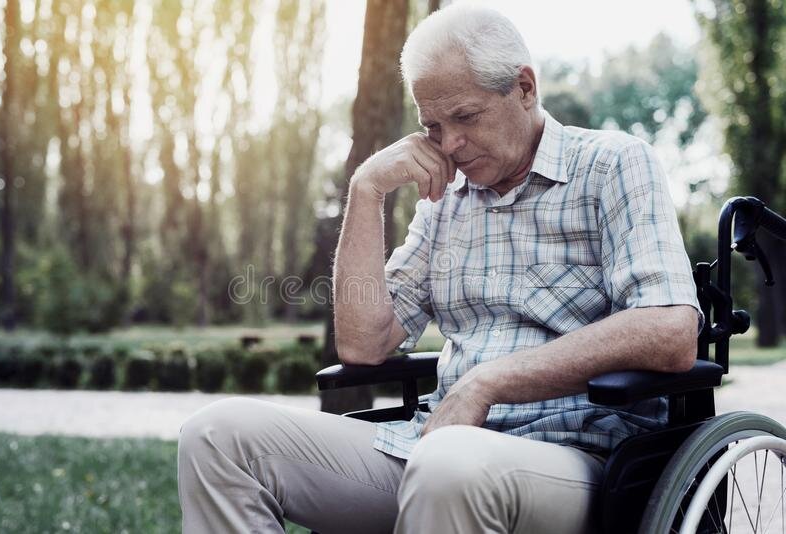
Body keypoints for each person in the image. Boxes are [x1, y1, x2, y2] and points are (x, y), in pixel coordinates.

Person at [177, 5, 701, 533]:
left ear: (523, 88)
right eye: (432, 126)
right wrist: (366, 191)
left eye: (465, 117)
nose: (448, 144)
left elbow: (670, 328)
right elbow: (363, 344)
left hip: (575, 456)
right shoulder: (446, 196)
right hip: (434, 446)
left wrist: (486, 384)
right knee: (217, 436)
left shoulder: (613, 164)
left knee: (449, 465)